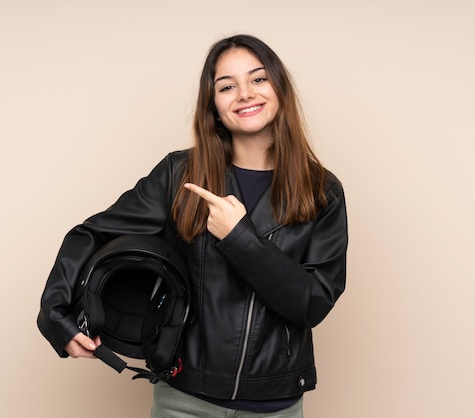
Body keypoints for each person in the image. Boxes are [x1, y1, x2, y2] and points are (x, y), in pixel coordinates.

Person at [37, 34, 348, 417]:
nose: (245, 94)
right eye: (227, 86)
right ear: (214, 106)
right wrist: (57, 316)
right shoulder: (180, 174)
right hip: (184, 401)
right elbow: (94, 233)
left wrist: (240, 237)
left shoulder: (322, 191)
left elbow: (312, 304)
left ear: (279, 88)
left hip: (276, 406)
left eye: (258, 79)